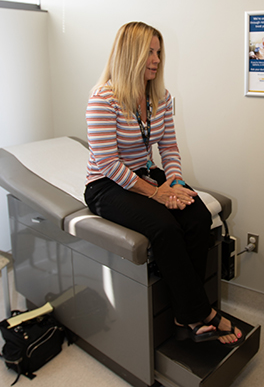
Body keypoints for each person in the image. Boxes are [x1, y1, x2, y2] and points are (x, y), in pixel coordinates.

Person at [83, 21, 244, 347]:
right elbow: (108, 163)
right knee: (165, 228)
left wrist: (174, 183)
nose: (157, 59)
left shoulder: (160, 97)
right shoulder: (103, 99)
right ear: (130, 55)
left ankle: (185, 312)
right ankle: (201, 312)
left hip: (147, 174)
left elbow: (168, 147)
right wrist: (158, 195)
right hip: (106, 184)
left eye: (158, 52)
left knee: (198, 215)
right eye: (149, 52)